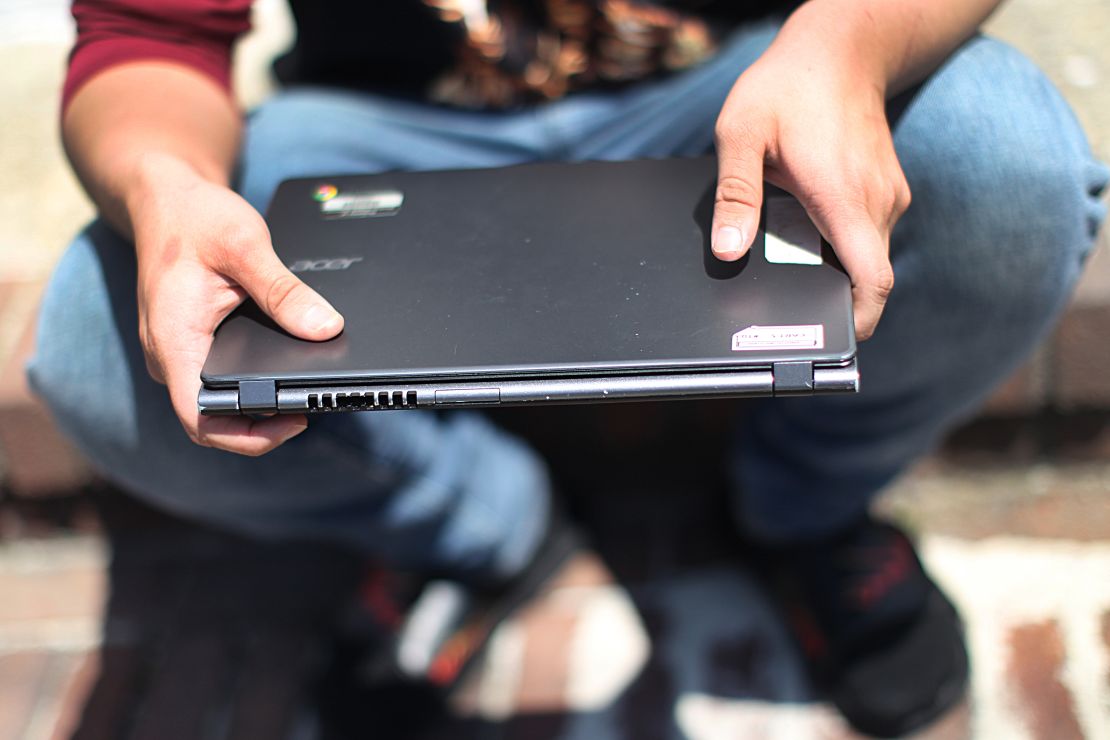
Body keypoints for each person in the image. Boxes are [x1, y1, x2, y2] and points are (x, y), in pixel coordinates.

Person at [28, 0, 1107, 735]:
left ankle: (805, 509)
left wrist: (849, 48)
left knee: (999, 155)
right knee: (95, 335)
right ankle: (477, 525)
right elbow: (147, 37)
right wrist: (160, 179)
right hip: (390, 132)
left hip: (733, 85)